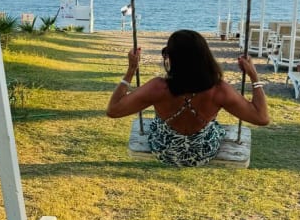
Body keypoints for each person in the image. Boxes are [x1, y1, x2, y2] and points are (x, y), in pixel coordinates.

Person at [106, 29, 270, 167]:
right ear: (205, 57)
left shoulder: (158, 88)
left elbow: (113, 110)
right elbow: (261, 118)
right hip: (203, 152)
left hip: (165, 150)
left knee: (159, 122)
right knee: (213, 126)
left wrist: (131, 70)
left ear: (171, 58)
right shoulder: (219, 90)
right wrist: (253, 76)